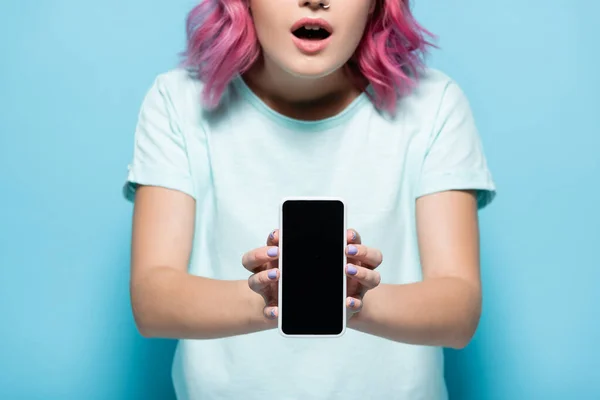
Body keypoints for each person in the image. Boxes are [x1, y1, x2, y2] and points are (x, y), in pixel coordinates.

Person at [122, 0, 496, 398]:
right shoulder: (177, 101)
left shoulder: (433, 103)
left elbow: (458, 309)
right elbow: (153, 300)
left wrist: (349, 301)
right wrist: (278, 297)